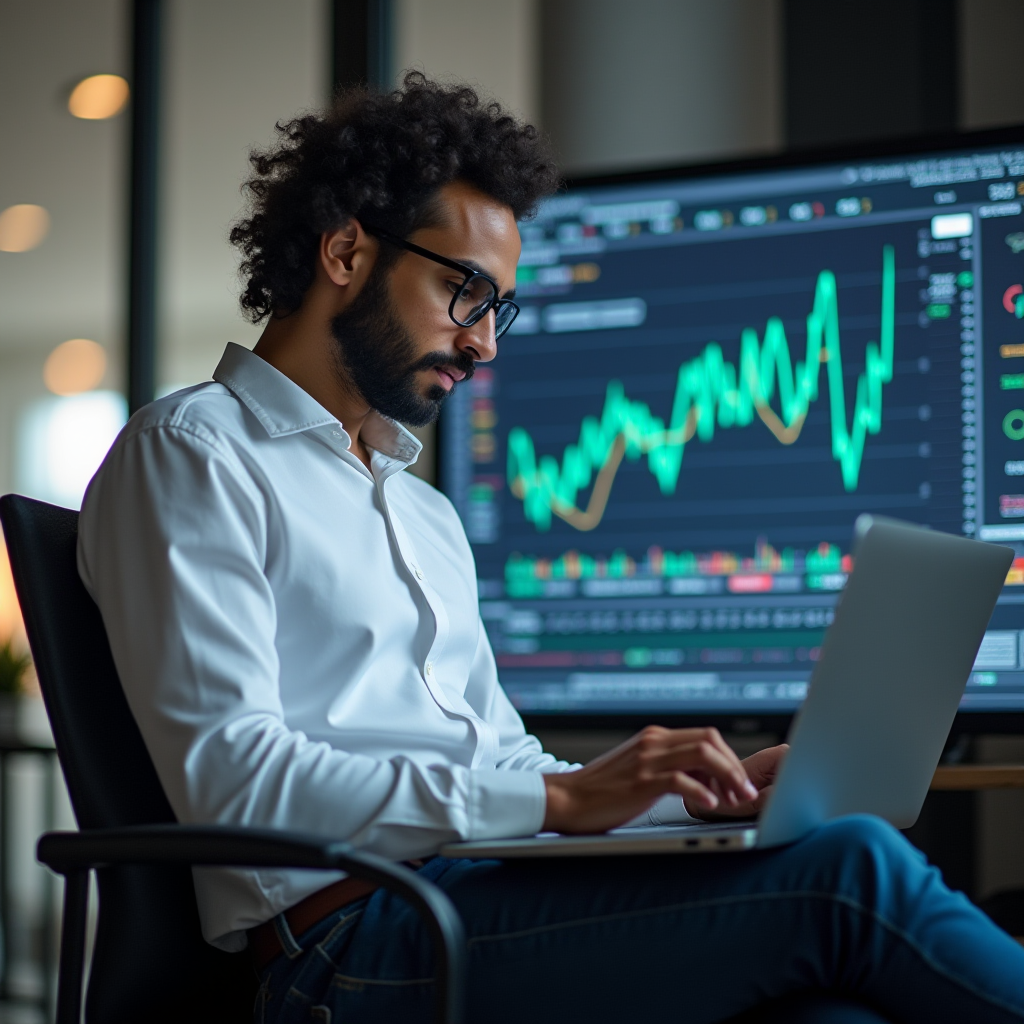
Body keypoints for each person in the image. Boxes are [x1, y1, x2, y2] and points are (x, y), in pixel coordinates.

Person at [78, 74, 1024, 1024]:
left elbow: (504, 769)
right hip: (352, 946)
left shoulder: (425, 514)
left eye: (501, 308)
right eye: (466, 291)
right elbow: (238, 780)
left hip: (471, 901)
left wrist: (691, 799)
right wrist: (566, 807)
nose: (485, 343)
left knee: (828, 1014)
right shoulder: (197, 451)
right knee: (850, 876)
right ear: (345, 250)